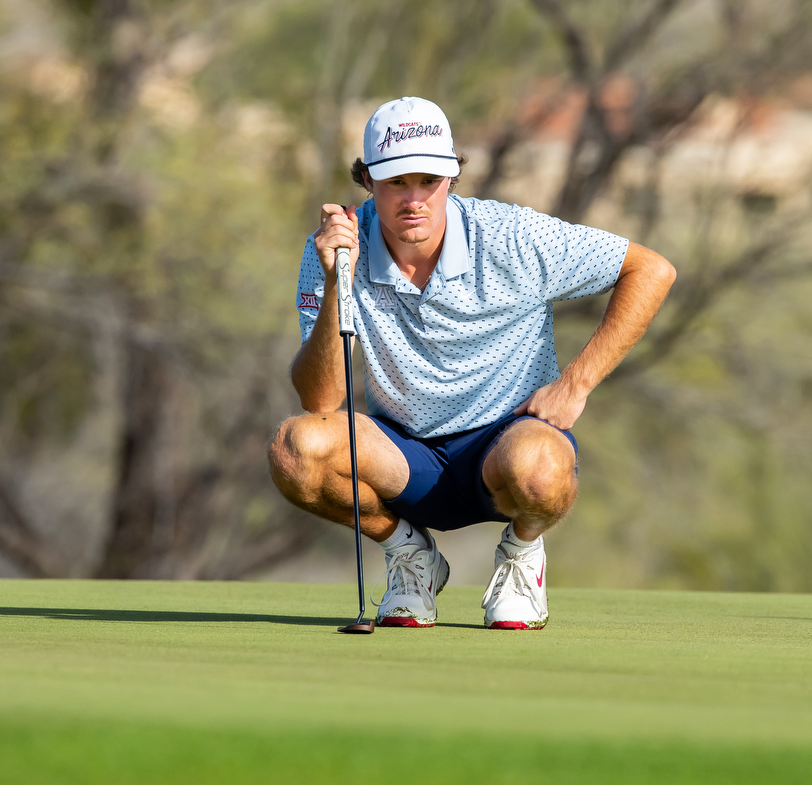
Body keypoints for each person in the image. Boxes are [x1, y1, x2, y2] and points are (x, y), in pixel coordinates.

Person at [268, 96, 675, 629]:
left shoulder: (511, 235)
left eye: (428, 181)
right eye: (396, 183)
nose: (413, 200)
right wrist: (334, 282)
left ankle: (523, 556)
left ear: (453, 176)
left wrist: (575, 384)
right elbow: (322, 401)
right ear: (367, 181)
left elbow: (651, 271)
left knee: (542, 471)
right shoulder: (335, 246)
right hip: (403, 458)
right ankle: (410, 555)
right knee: (296, 450)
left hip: (506, 447)